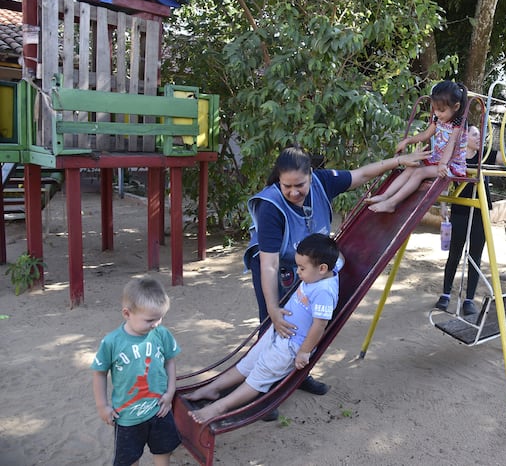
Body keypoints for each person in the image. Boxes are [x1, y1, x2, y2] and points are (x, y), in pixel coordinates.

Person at [245, 144, 429, 396]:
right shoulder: (271, 206)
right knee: (275, 326)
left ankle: (298, 375)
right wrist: (272, 309)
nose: (293, 192)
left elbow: (361, 175)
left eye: (300, 185)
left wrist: (399, 161)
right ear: (279, 179)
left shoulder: (322, 182)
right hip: (277, 267)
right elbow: (269, 265)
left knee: (306, 321)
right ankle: (261, 387)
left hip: (309, 264)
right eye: (286, 186)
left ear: (311, 175)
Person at [186, 233, 340, 424]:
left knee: (259, 376)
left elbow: (320, 325)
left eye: (302, 268)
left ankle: (219, 407)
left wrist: (304, 352)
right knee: (248, 363)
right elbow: (340, 259)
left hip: (291, 346)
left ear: (323, 269)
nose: (298, 272)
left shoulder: (325, 291)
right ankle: (213, 389)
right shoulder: (325, 271)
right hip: (279, 331)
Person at [435, 120, 506, 316]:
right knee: (454, 254)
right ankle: (445, 294)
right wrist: (443, 205)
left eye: (479, 134)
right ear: (464, 137)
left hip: (480, 212)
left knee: (475, 256)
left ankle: (468, 300)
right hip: (460, 210)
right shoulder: (456, 156)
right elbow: (446, 180)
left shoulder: (485, 155)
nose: (479, 137)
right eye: (474, 134)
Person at [91, 276, 181, 466]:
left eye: (160, 318)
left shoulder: (161, 333)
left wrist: (170, 392)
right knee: (129, 458)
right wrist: (102, 406)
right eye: (149, 320)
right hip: (127, 416)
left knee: (163, 450)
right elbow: (99, 373)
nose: (156, 324)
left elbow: (170, 361)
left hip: (159, 408)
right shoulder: (112, 342)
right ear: (127, 313)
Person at [366, 81, 469, 213]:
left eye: (441, 110)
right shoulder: (438, 119)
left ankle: (391, 203)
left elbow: (452, 142)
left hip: (451, 165)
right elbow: (426, 134)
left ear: (456, 107)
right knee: (411, 167)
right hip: (437, 160)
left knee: (420, 172)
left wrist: (443, 163)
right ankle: (385, 196)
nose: (437, 113)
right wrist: (407, 141)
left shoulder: (459, 123)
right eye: (435, 109)